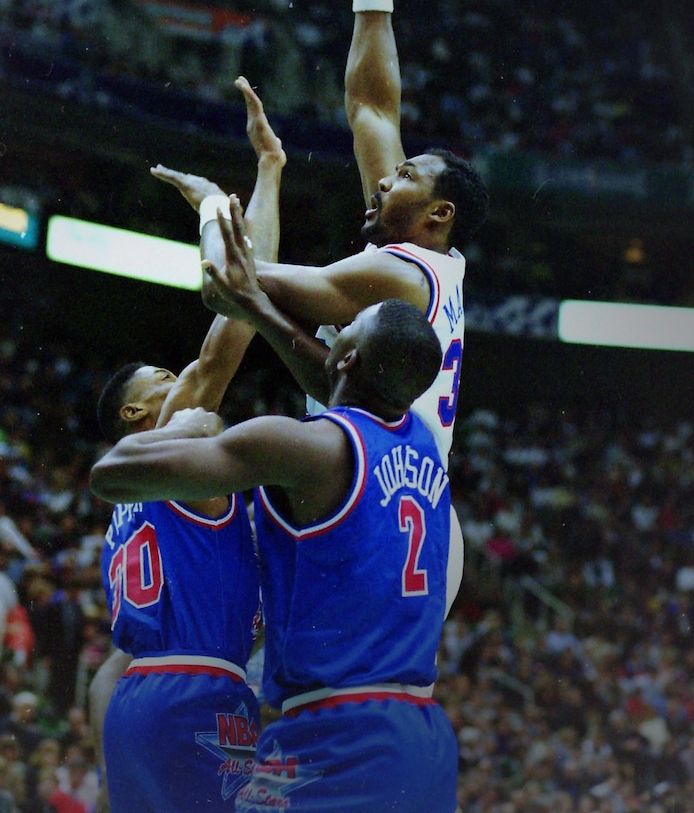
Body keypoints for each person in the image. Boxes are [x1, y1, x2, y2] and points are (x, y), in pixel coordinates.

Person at [155, 0, 488, 609]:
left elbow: (227, 283)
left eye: (401, 177)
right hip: (416, 506)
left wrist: (215, 205)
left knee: (294, 690)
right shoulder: (437, 263)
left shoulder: (397, 271)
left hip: (375, 504)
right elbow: (372, 107)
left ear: (435, 212)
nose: (383, 177)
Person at [89, 220, 460, 812]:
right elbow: (336, 375)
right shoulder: (421, 442)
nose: (333, 328)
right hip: (422, 732)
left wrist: (193, 422)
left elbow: (109, 476)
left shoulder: (302, 448)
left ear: (347, 356)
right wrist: (260, 311)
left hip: (333, 728)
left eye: (345, 326)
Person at [88, 77, 286, 813]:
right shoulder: (173, 444)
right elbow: (239, 311)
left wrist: (269, 174)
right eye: (166, 380)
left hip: (142, 693)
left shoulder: (134, 500)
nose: (187, 383)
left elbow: (104, 672)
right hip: (198, 691)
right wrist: (244, 188)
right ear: (142, 413)